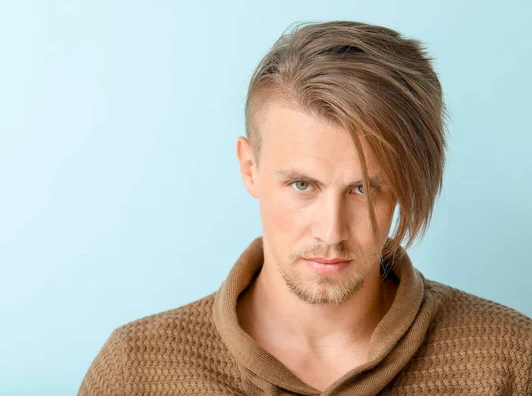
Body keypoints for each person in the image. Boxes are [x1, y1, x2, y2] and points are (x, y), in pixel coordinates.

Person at [78, 20, 532, 395]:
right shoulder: (136, 371)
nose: (332, 232)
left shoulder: (510, 361)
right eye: (302, 185)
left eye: (365, 189)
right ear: (250, 167)